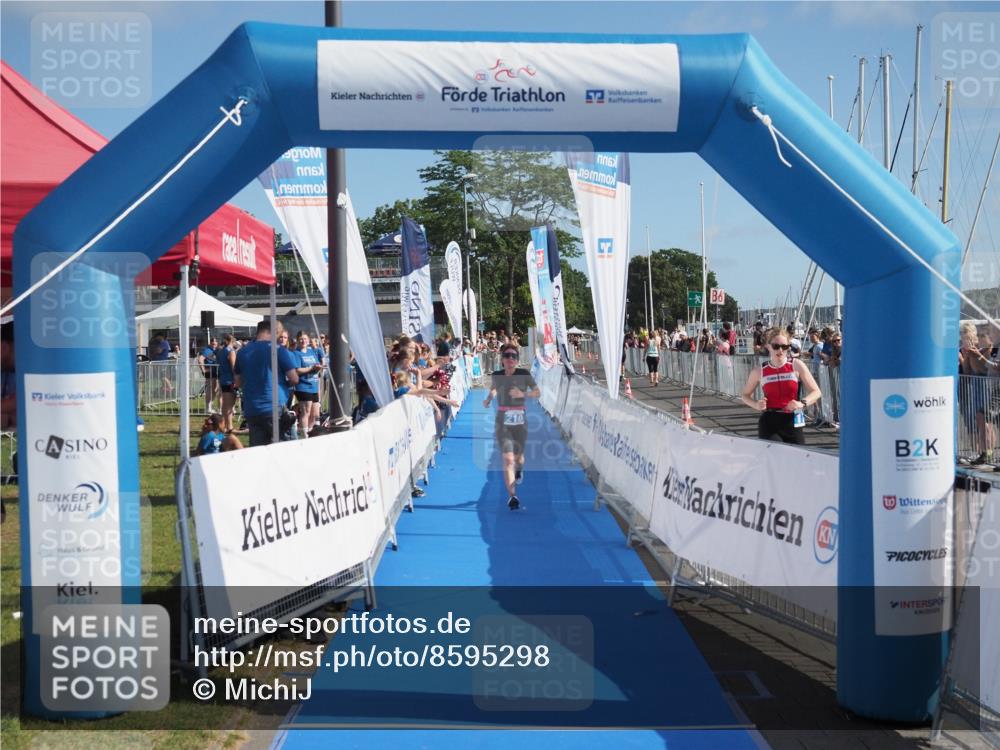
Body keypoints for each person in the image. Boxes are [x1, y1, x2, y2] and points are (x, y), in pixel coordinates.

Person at [740, 327, 822, 445]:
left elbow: (816, 392)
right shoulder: (759, 371)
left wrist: (802, 403)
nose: (780, 350)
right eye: (776, 346)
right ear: (768, 346)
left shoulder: (796, 365)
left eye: (784, 347)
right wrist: (756, 404)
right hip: (770, 421)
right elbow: (745, 395)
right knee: (775, 456)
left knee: (798, 459)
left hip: (793, 419)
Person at [483, 343, 540, 510]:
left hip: (520, 420)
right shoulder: (497, 375)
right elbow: (494, 389)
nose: (510, 359)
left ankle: (519, 469)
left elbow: (537, 392)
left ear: (517, 359)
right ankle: (512, 496)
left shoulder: (524, 374)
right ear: (502, 359)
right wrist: (488, 398)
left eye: (514, 356)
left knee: (519, 458)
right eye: (507, 355)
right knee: (508, 459)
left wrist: (524, 394)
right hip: (503, 420)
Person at [234, 321, 299, 447]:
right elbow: (294, 378)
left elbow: (237, 381)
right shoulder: (278, 350)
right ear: (272, 332)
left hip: (252, 408)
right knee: (286, 449)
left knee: (259, 451)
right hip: (275, 407)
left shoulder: (242, 352)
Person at [292, 331, 324, 437]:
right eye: (301, 339)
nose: (303, 341)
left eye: (305, 339)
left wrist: (318, 368)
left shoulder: (311, 352)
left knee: (315, 414)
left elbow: (316, 365)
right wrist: (311, 368)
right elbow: (297, 370)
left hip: (314, 385)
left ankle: (309, 432)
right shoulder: (296, 353)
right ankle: (304, 435)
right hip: (303, 386)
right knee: (306, 411)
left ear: (308, 340)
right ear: (297, 340)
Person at [216, 334, 238, 433]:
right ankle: (229, 427)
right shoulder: (231, 352)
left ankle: (224, 425)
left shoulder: (221, 352)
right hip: (230, 380)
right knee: (230, 404)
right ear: (232, 342)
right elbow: (233, 367)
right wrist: (237, 379)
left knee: (225, 404)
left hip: (223, 379)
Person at [198, 337, 219, 413]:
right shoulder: (207, 350)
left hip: (215, 371)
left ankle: (210, 406)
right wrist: (203, 369)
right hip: (209, 372)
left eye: (215, 343)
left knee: (215, 389)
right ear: (210, 343)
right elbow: (200, 359)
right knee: (211, 390)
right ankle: (208, 408)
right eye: (213, 343)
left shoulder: (215, 350)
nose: (214, 344)